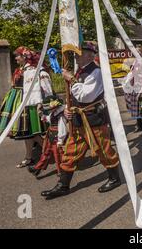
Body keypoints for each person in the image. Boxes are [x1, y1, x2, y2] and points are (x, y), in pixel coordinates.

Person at [41, 41, 121, 200]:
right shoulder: (80, 70)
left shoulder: (96, 72)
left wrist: (71, 80)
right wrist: (67, 108)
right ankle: (63, 185)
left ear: (89, 55)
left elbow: (86, 96)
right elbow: (73, 96)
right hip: (78, 119)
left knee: (104, 150)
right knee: (71, 151)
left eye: (80, 53)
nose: (76, 56)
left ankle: (114, 178)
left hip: (93, 119)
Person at [0, 46, 53, 168]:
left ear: (25, 57)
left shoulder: (33, 70)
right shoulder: (21, 69)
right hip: (18, 102)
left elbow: (39, 89)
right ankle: (29, 157)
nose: (15, 58)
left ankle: (52, 152)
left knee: (34, 132)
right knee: (27, 133)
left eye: (17, 55)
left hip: (29, 102)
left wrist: (39, 104)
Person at [27, 95, 66, 178]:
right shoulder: (53, 113)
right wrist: (42, 115)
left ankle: (61, 171)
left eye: (50, 108)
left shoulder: (60, 115)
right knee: (46, 152)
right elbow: (48, 119)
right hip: (50, 135)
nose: (49, 111)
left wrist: (60, 140)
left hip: (56, 137)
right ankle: (37, 168)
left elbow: (62, 129)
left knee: (57, 155)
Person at [123, 45, 142, 132]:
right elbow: (132, 73)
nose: (137, 53)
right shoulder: (135, 61)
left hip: (140, 85)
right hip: (134, 85)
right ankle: (139, 124)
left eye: (139, 51)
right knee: (136, 105)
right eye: (135, 51)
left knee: (139, 105)